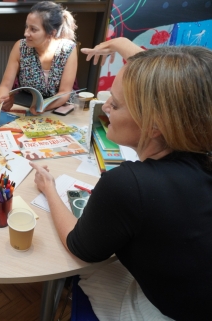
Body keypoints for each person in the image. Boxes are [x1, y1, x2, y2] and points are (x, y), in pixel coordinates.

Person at [30, 37, 212, 320]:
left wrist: (49, 189)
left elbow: (81, 248)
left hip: (167, 312)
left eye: (115, 103)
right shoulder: (200, 144)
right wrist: (122, 44)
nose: (106, 110)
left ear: (154, 124)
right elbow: (170, 81)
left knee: (89, 271)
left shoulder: (129, 185)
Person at [0, 1, 78, 114]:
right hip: (26, 107)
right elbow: (4, 85)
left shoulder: (68, 49)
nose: (26, 33)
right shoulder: (20, 47)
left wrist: (42, 107)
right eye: (26, 27)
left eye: (33, 29)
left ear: (51, 33)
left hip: (58, 109)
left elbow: (64, 93)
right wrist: (2, 99)